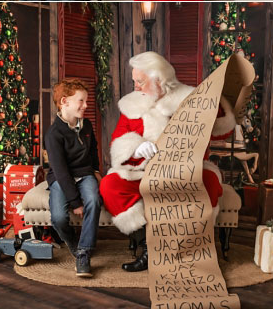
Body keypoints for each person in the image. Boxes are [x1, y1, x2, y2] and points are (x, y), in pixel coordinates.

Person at [98, 52, 235, 271]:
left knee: (208, 183)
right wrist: (136, 147)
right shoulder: (132, 105)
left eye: (140, 82)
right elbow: (117, 141)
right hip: (145, 171)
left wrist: (216, 100)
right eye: (134, 81)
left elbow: (220, 131)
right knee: (110, 185)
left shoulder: (190, 98)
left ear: (159, 80)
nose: (136, 87)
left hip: (186, 171)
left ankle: (190, 252)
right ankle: (149, 249)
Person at [45, 79, 102, 278]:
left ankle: (84, 252)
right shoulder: (53, 134)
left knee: (94, 201)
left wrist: (95, 170)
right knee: (59, 218)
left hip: (85, 174)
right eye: (81, 101)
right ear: (64, 102)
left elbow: (93, 150)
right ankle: (75, 246)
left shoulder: (86, 126)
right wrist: (75, 202)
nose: (86, 106)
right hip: (63, 178)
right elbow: (60, 171)